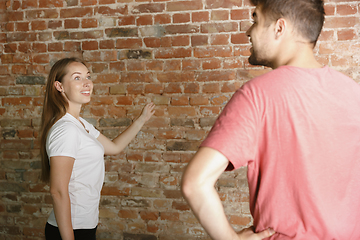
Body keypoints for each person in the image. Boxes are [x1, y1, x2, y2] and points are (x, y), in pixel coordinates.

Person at [181, 0, 360, 239]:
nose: (248, 31)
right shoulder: (353, 92)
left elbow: (195, 183)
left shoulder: (257, 96)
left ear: (279, 28)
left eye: (256, 19)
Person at [39, 57, 155, 240]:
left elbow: (114, 147)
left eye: (88, 76)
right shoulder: (66, 130)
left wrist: (141, 119)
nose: (87, 83)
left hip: (85, 224)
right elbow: (58, 191)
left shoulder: (80, 124)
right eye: (77, 78)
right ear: (59, 86)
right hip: (71, 229)